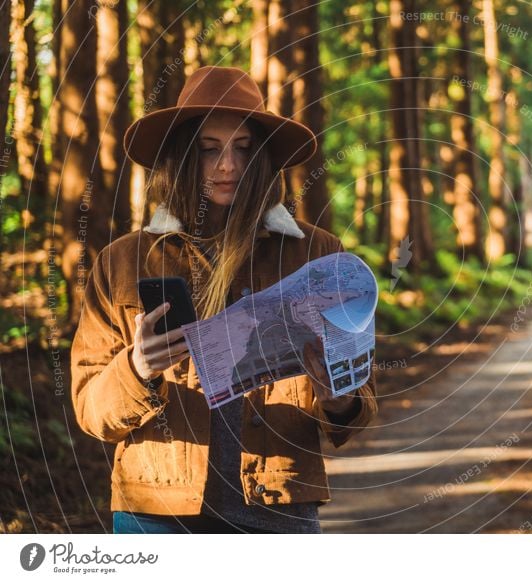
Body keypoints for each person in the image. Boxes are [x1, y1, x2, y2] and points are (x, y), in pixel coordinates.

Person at [70, 66, 378, 534]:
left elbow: (358, 405)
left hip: (278, 510)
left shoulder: (317, 255)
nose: (227, 167)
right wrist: (137, 368)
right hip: (155, 514)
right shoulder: (123, 263)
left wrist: (337, 397)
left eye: (242, 149)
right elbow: (91, 410)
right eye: (209, 150)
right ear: (181, 157)